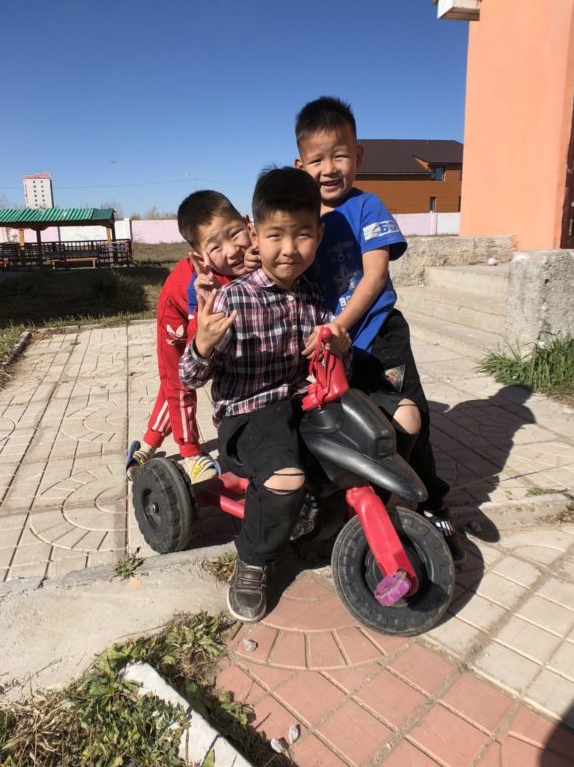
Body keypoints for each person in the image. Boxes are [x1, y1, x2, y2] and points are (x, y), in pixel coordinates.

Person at [181, 167, 403, 623]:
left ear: (319, 237)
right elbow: (189, 377)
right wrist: (202, 344)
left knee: (379, 427)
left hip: (300, 404)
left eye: (302, 235)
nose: (288, 249)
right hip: (250, 416)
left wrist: (337, 343)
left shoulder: (314, 296)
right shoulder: (231, 301)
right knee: (286, 477)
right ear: (254, 236)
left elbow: (326, 353)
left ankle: (334, 515)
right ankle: (254, 559)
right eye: (275, 235)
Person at [294, 95, 465, 563]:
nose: (329, 168)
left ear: (359, 156)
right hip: (330, 347)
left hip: (375, 335)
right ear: (299, 163)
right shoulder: (302, 219)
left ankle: (431, 503)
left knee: (412, 417)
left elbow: (374, 278)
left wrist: (337, 327)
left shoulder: (367, 206)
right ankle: (344, 495)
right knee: (348, 421)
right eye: (317, 159)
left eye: (340, 155)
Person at [125, 190, 256, 485]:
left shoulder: (256, 253)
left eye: (236, 234)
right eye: (216, 246)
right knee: (178, 382)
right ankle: (189, 452)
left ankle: (147, 444)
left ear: (249, 226)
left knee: (175, 385)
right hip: (179, 317)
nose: (233, 249)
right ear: (200, 257)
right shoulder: (201, 283)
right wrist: (191, 450)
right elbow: (199, 355)